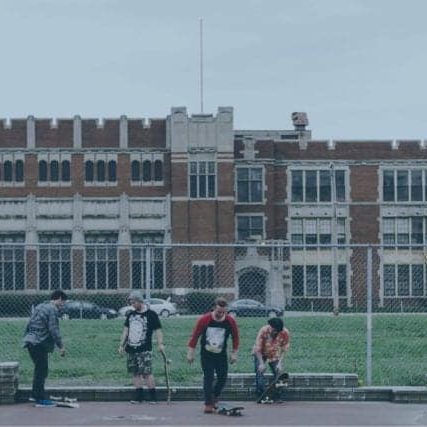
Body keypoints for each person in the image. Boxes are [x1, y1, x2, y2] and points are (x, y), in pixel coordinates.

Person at [187, 297, 239, 414]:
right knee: (208, 377)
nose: (221, 314)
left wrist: (234, 353)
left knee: (222, 377)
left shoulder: (230, 321)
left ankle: (215, 395)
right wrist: (190, 353)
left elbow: (235, 338)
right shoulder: (205, 319)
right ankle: (208, 403)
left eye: (223, 312)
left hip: (221, 354)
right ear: (214, 309)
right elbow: (195, 336)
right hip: (207, 354)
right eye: (218, 312)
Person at [118, 290, 164, 404]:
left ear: (140, 301)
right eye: (131, 303)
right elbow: (126, 330)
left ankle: (153, 396)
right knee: (135, 372)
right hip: (131, 348)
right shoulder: (130, 314)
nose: (132, 305)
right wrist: (121, 345)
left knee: (147, 372)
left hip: (144, 349)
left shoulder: (151, 314)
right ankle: (139, 396)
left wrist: (160, 344)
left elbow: (158, 330)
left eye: (134, 302)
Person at [23, 290, 68, 406]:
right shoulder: (52, 309)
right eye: (62, 302)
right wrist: (61, 346)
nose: (62, 305)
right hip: (38, 343)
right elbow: (54, 329)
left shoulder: (40, 306)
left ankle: (35, 395)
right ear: (58, 298)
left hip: (30, 341)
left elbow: (29, 323)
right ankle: (40, 397)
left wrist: (27, 337)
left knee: (39, 369)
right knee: (42, 370)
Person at [252, 317, 290, 400]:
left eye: (278, 332)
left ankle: (277, 394)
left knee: (279, 372)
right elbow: (257, 349)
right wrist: (261, 364)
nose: (276, 333)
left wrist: (280, 363)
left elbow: (284, 349)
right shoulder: (263, 330)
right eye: (274, 330)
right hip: (261, 353)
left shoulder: (285, 332)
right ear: (271, 327)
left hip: (274, 353)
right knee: (260, 371)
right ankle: (260, 393)